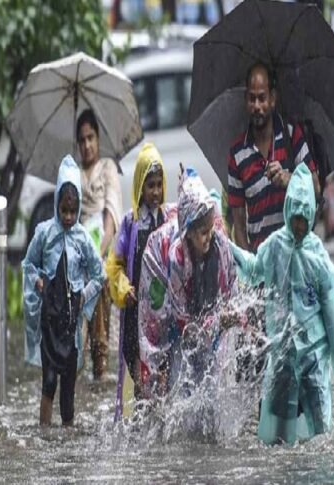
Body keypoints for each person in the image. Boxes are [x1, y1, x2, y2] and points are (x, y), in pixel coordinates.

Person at [227, 162, 334, 445]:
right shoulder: (274, 246)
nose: (298, 225)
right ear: (287, 211)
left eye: (303, 218)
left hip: (314, 357)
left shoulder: (319, 259)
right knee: (276, 437)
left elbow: (332, 313)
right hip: (283, 354)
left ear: (311, 216)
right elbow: (254, 268)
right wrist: (229, 247)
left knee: (322, 434)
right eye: (294, 217)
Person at [137, 167, 239, 399]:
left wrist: (234, 319)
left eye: (210, 229)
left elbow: (232, 292)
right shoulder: (172, 256)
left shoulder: (220, 246)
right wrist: (157, 366)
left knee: (214, 385)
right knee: (176, 385)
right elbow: (182, 323)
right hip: (172, 316)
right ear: (188, 234)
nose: (209, 237)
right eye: (203, 233)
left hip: (207, 317)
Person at [23, 154, 106, 427]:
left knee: (68, 392)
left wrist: (84, 295)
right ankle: (44, 435)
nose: (69, 217)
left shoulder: (83, 237)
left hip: (71, 324)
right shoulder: (44, 233)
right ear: (57, 203)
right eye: (64, 210)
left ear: (79, 206)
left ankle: (67, 442)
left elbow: (99, 273)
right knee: (49, 384)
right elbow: (29, 264)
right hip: (50, 322)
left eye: (73, 211)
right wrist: (37, 280)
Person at [228, 63, 321, 253]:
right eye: (252, 99)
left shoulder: (292, 136)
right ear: (246, 100)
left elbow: (316, 188)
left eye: (262, 98)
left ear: (272, 99)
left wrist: (290, 180)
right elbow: (238, 223)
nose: (257, 106)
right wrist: (250, 268)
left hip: (296, 261)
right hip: (262, 269)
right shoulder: (237, 153)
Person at [106, 143, 169, 401]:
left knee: (161, 380)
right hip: (134, 315)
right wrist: (123, 288)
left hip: (160, 315)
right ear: (139, 187)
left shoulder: (168, 220)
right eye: (149, 185)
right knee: (139, 380)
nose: (155, 191)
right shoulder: (130, 224)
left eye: (159, 184)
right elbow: (114, 265)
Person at [76, 109, 123, 380]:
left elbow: (112, 215)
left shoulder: (107, 168)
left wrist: (99, 252)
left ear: (98, 138)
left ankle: (100, 373)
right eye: (82, 140)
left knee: (100, 330)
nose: (87, 145)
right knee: (77, 330)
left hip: (102, 255)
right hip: (78, 256)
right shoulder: (74, 172)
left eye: (91, 138)